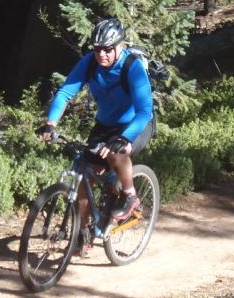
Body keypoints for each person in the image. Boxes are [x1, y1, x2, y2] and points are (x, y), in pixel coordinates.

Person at [37, 17, 155, 243]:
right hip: (105, 125)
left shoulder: (132, 67)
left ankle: (130, 196)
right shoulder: (90, 62)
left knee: (116, 152)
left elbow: (144, 111)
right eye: (98, 49)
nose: (102, 55)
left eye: (108, 49)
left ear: (120, 46)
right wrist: (50, 123)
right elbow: (64, 93)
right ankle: (84, 233)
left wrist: (124, 137)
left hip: (137, 124)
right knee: (84, 178)